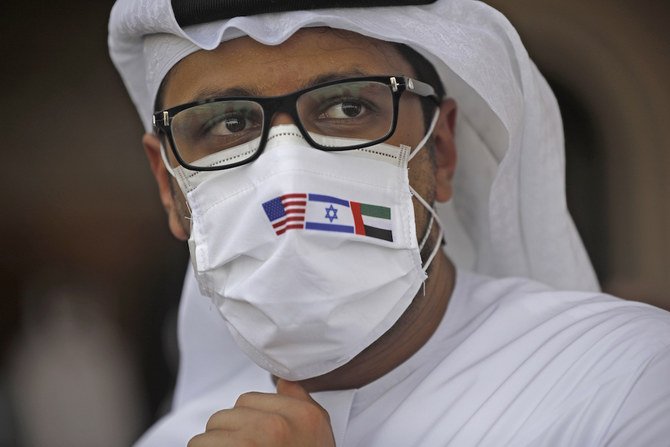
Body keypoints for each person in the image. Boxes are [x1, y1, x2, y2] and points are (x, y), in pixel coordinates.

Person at [109, 0, 670, 445]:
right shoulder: (177, 440)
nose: (288, 172)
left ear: (442, 149)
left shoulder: (627, 380)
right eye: (228, 123)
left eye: (348, 108)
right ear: (168, 184)